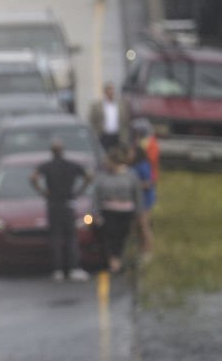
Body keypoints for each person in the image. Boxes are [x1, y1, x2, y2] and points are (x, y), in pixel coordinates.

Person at [30, 138, 92, 282]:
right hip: (68, 202)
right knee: (71, 236)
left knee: (55, 237)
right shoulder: (71, 166)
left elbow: (33, 177)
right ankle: (73, 268)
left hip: (53, 203)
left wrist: (43, 191)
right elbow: (89, 176)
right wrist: (80, 191)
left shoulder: (47, 166)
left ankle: (57, 269)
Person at [92, 147, 141, 273]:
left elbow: (137, 195)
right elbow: (96, 194)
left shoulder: (130, 175)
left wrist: (138, 214)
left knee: (122, 237)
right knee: (109, 236)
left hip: (126, 212)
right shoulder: (103, 176)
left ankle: (119, 260)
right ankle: (112, 261)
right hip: (108, 211)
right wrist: (95, 213)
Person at [129, 120, 157, 257]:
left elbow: (148, 182)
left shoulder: (143, 165)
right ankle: (139, 249)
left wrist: (134, 185)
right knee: (136, 226)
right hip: (137, 199)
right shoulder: (134, 164)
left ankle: (147, 250)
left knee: (144, 225)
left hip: (144, 199)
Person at [89, 81, 131, 152]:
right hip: (103, 135)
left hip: (117, 135)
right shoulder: (97, 106)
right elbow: (92, 120)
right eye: (109, 89)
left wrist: (125, 137)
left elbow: (125, 121)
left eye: (112, 89)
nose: (111, 92)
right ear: (105, 91)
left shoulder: (121, 105)